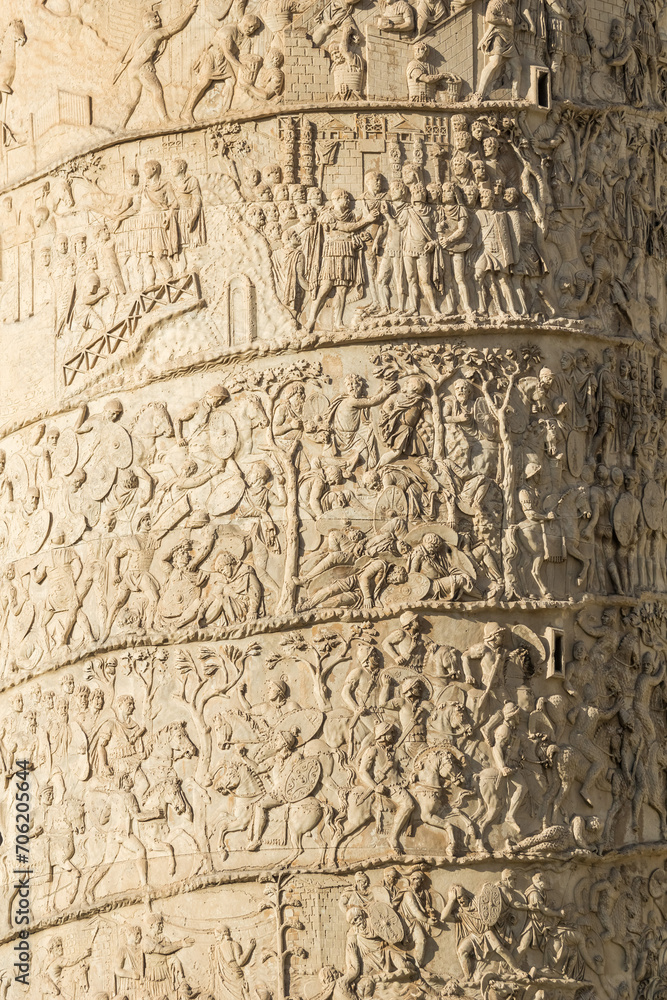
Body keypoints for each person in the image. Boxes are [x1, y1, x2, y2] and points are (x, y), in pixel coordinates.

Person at [114, 2, 200, 129]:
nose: (159, 19)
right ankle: (165, 121)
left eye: (158, 17)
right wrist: (189, 12)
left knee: (133, 99)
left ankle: (120, 126)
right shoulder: (155, 34)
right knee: (157, 91)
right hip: (143, 68)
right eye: (155, 18)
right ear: (148, 22)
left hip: (132, 70)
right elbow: (174, 27)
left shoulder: (139, 36)